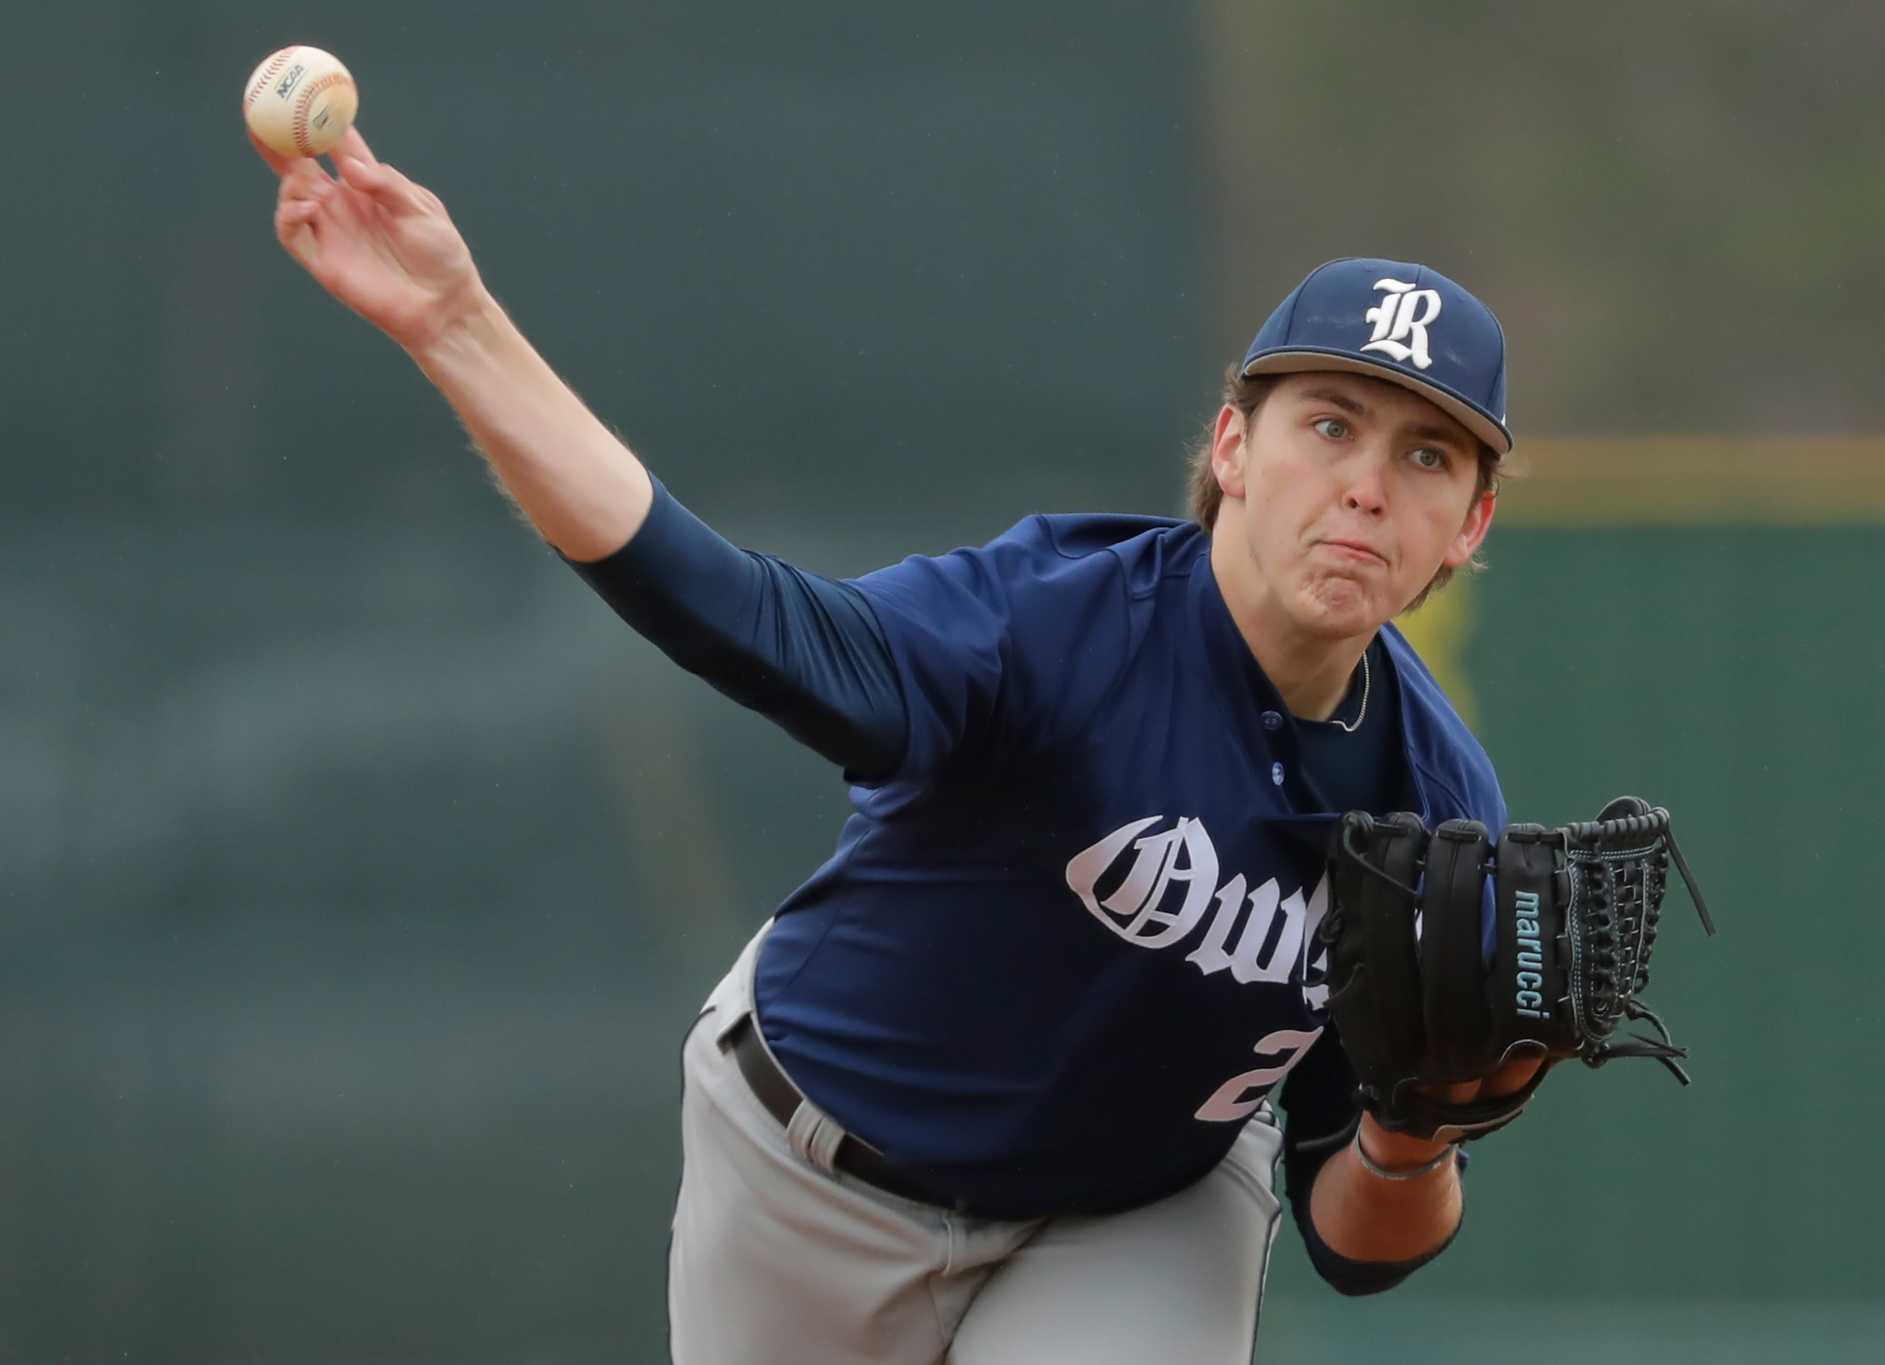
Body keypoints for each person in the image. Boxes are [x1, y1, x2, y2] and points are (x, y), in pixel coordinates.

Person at [254, 126, 1548, 1364]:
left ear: (1471, 524)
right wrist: (457, 324)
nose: (1370, 485)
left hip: (1131, 1214)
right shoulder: (1051, 625)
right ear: (1234, 446)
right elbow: (751, 620)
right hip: (812, 1174)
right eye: (1329, 424)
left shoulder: (1436, 808)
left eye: (1426, 455)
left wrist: (1414, 1131)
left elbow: (1360, 1241)